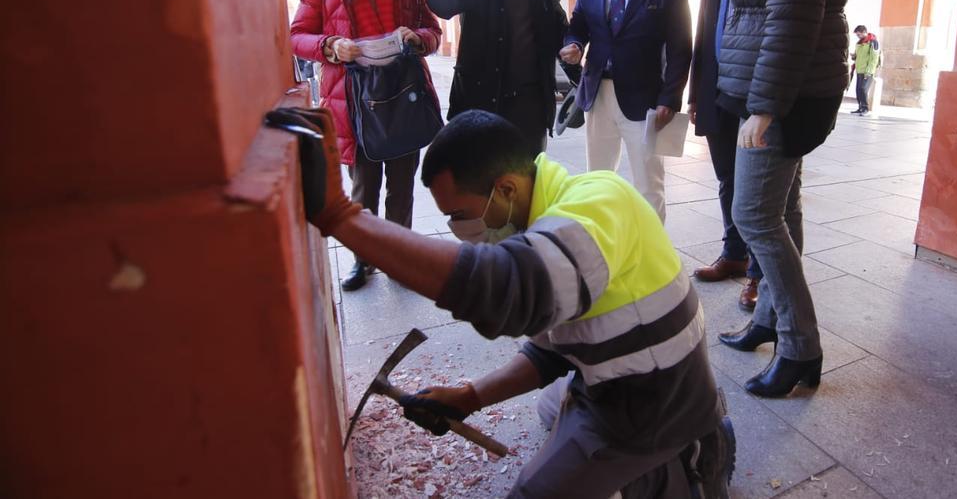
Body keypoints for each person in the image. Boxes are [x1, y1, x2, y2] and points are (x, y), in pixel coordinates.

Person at [267, 108, 736, 499]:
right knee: (553, 408)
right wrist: (471, 398)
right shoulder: (541, 221)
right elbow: (551, 348)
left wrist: (340, 217)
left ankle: (691, 457)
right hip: (612, 377)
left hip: (653, 403)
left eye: (460, 215)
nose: (457, 229)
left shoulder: (599, 202)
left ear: (507, 189)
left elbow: (511, 293)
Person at [715, 0, 853, 398]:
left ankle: (801, 348)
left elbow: (792, 15)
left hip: (784, 94)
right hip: (781, 88)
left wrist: (763, 107)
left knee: (754, 218)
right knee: (782, 210)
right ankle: (770, 320)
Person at [290, 0, 442, 292]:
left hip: (403, 90)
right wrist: (330, 45)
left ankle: (400, 257)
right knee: (363, 188)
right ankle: (364, 260)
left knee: (403, 184)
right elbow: (297, 36)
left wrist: (416, 38)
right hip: (352, 99)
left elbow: (432, 30)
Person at [559, 0, 692, 223]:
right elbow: (578, 25)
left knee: (648, 185)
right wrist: (574, 44)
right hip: (598, 95)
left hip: (645, 100)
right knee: (599, 181)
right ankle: (605, 245)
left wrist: (670, 98)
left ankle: (652, 256)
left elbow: (680, 45)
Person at [427, 0, 570, 155]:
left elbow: (558, 26)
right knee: (480, 180)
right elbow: (436, 0)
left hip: (530, 106)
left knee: (527, 179)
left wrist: (571, 45)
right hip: (480, 101)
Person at [688, 0, 762, 312]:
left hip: (755, 90)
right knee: (726, 179)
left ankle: (757, 271)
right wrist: (696, 93)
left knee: (755, 188)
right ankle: (734, 254)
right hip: (716, 88)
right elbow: (703, 32)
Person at [850, 25, 880, 115]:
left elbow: (873, 59)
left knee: (863, 89)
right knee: (858, 90)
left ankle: (865, 108)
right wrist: (854, 56)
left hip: (867, 71)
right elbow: (858, 56)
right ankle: (860, 107)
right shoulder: (859, 43)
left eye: (859, 34)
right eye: (857, 35)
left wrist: (869, 71)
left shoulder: (873, 42)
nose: (858, 36)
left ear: (864, 32)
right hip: (859, 70)